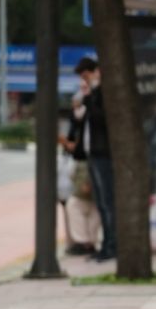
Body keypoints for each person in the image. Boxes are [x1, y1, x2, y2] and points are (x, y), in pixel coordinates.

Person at [73, 57, 117, 262]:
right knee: (101, 202)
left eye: (86, 76)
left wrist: (89, 97)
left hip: (103, 154)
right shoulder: (92, 95)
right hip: (93, 153)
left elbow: (102, 118)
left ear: (95, 72)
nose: (85, 81)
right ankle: (106, 244)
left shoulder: (102, 92)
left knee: (106, 202)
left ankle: (111, 245)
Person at [57, 88, 98, 255]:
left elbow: (82, 148)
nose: (75, 110)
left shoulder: (90, 120)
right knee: (75, 203)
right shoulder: (77, 122)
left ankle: (85, 241)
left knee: (81, 203)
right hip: (77, 166)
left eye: (78, 106)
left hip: (86, 165)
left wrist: (67, 145)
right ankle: (81, 241)